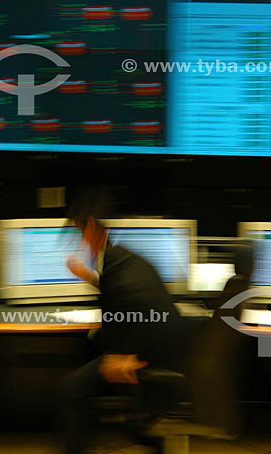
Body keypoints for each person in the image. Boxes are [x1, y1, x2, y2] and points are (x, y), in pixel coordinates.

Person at [60, 187, 186, 454]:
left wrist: (128, 354)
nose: (78, 238)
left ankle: (140, 433)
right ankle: (145, 432)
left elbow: (138, 302)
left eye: (78, 231)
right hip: (157, 344)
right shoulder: (121, 258)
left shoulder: (117, 266)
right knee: (92, 356)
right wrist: (90, 277)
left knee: (71, 388)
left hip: (149, 351)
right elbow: (129, 293)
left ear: (91, 226)